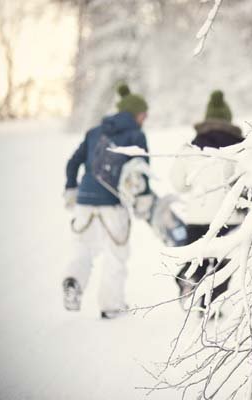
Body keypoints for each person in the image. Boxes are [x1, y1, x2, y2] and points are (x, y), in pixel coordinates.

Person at [62, 83, 151, 319]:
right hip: (113, 202)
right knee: (116, 253)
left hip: (85, 199)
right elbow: (141, 169)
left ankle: (73, 281)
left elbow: (73, 162)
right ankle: (111, 305)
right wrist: (144, 198)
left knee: (84, 247)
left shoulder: (94, 132)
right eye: (144, 114)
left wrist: (71, 188)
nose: (146, 118)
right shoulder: (136, 135)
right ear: (135, 114)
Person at [170, 90, 245, 312]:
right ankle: (210, 305)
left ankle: (189, 277)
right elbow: (247, 180)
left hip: (197, 217)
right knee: (222, 264)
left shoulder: (190, 147)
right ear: (228, 120)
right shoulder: (240, 146)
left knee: (198, 259)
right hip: (228, 216)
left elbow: (178, 183)